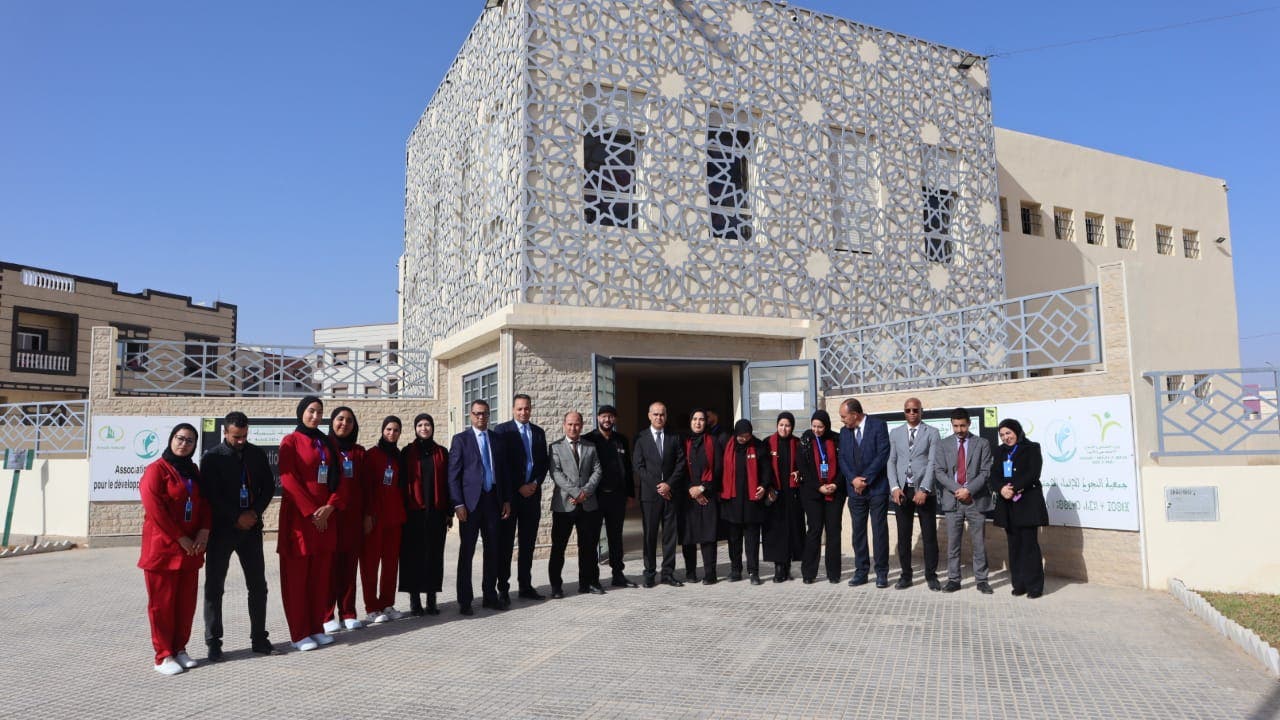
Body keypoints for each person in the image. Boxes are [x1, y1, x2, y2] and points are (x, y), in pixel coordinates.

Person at [198, 411, 276, 661]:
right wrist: (235, 517)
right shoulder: (212, 458)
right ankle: (213, 641)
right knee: (214, 587)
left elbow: (268, 487)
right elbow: (211, 495)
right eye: (236, 437)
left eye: (244, 436)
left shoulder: (256, 454)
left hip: (251, 530)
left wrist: (254, 512)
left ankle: (259, 639)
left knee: (258, 586)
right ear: (225, 432)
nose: (241, 440)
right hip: (222, 531)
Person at [139, 423, 210, 675]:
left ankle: (180, 649)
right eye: (180, 438)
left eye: (190, 441)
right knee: (163, 606)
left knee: (185, 604)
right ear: (171, 440)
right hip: (164, 550)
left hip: (190, 551)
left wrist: (204, 531)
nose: (184, 444)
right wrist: (181, 538)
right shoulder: (156, 470)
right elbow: (155, 510)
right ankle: (163, 655)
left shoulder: (193, 471)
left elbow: (205, 503)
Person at [277, 395, 344, 651]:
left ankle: (316, 627)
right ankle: (299, 632)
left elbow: (338, 480)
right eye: (311, 411)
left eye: (319, 412)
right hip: (301, 520)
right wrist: (312, 511)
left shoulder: (325, 443)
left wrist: (329, 506)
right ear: (301, 412)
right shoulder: (290, 441)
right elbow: (289, 480)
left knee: (319, 577)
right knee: (297, 579)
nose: (315, 416)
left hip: (325, 519)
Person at [448, 399, 512, 614]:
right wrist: (458, 503)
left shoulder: (497, 440)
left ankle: (490, 596)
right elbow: (453, 476)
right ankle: (465, 601)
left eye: (484, 413)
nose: (481, 417)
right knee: (467, 552)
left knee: (493, 550)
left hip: (493, 500)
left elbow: (503, 473)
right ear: (470, 415)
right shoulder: (461, 440)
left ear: (489, 415)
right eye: (476, 414)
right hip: (470, 504)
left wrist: (506, 500)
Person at [493, 393, 549, 603]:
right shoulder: (502, 431)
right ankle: (503, 588)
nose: (523, 412)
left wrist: (534, 484)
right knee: (506, 544)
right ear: (513, 409)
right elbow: (502, 465)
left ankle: (525, 586)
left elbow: (543, 463)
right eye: (519, 409)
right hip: (511, 497)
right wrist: (519, 487)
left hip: (532, 496)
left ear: (531, 409)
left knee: (528, 544)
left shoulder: (538, 432)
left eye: (527, 408)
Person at [935, 408, 995, 595]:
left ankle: (982, 580)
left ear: (969, 424)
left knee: (979, 542)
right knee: (953, 543)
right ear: (951, 425)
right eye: (955, 426)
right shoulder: (943, 445)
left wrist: (968, 490)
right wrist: (957, 490)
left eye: (962, 425)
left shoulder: (982, 444)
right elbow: (939, 472)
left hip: (975, 500)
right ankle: (953, 579)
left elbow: (985, 471)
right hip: (953, 500)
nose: (959, 429)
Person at [546, 411, 604, 598]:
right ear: (564, 425)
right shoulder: (555, 447)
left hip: (587, 504)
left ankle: (588, 583)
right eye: (570, 424)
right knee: (558, 547)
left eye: (577, 424)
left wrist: (584, 493)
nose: (573, 428)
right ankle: (556, 586)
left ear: (582, 425)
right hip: (564, 505)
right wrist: (576, 492)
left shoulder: (590, 447)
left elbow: (597, 471)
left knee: (588, 547)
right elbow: (557, 474)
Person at [886, 398, 942, 590]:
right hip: (902, 491)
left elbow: (933, 463)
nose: (912, 413)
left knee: (929, 536)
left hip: (924, 491)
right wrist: (894, 487)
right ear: (904, 411)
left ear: (921, 411)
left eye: (915, 410)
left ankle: (931, 575)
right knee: (904, 536)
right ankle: (906, 575)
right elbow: (891, 462)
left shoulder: (932, 433)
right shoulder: (895, 433)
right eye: (908, 410)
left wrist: (924, 489)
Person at [400, 413, 451, 616]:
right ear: (415, 428)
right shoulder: (407, 452)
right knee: (413, 557)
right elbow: (402, 483)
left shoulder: (442, 452)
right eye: (420, 425)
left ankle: (431, 599)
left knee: (433, 556)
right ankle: (415, 600)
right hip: (413, 514)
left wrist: (448, 511)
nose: (424, 428)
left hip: (436, 513)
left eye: (427, 424)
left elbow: (448, 483)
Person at [324, 406, 369, 633]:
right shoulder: (323, 448)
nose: (344, 424)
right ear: (332, 422)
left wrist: (367, 515)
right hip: (330, 518)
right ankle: (327, 614)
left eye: (349, 420)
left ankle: (348, 612)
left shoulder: (359, 452)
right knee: (329, 568)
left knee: (349, 568)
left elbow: (366, 487)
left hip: (353, 519)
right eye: (340, 419)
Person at [632, 401, 687, 587]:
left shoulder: (674, 437)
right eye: (655, 414)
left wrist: (668, 485)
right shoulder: (641, 437)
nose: (659, 417)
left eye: (662, 414)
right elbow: (638, 466)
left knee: (670, 536)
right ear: (649, 416)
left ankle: (668, 573)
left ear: (666, 416)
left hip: (670, 494)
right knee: (650, 535)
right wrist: (658, 485)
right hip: (650, 495)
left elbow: (681, 463)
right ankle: (649, 573)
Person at [992, 418, 1049, 599]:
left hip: (1027, 503)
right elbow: (993, 474)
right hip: (1008, 505)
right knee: (1014, 546)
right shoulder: (999, 451)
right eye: (1002, 435)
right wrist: (1001, 488)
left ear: (1017, 431)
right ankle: (1019, 584)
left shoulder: (1032, 448)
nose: (1006, 437)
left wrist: (1014, 488)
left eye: (1009, 433)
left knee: (1029, 546)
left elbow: (1033, 473)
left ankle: (1035, 586)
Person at [837, 398, 891, 588]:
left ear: (855, 414)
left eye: (844, 417)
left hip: (876, 489)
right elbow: (842, 458)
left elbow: (882, 454)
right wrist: (853, 480)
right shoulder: (844, 432)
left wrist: (865, 479)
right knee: (858, 532)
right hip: (855, 491)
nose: (842, 420)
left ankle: (882, 572)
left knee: (879, 531)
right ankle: (861, 571)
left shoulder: (878, 426)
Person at [583, 404, 638, 588]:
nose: (607, 420)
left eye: (611, 416)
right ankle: (593, 579)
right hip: (596, 497)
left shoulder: (621, 440)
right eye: (604, 416)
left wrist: (630, 494)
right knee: (592, 539)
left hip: (617, 497)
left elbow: (628, 468)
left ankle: (618, 575)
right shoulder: (589, 440)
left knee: (616, 537)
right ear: (598, 418)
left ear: (615, 419)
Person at [360, 416, 407, 623]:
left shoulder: (399, 456)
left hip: (394, 517)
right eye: (388, 429)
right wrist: (367, 514)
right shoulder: (371, 455)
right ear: (382, 430)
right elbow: (365, 487)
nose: (392, 433)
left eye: (396, 430)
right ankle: (372, 607)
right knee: (370, 564)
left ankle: (387, 604)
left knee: (390, 565)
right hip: (375, 517)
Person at [720, 419, 772, 585]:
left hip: (752, 501)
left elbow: (766, 470)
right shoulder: (727, 446)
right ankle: (735, 570)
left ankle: (753, 571)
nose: (743, 439)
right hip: (732, 500)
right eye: (741, 436)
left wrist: (764, 486)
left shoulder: (758, 446)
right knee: (734, 539)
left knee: (752, 539)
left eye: (747, 436)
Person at [798, 410, 843, 583]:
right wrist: (819, 487)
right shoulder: (805, 441)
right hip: (813, 493)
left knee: (833, 531)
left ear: (827, 426)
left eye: (820, 427)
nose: (817, 430)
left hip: (834, 491)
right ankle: (809, 573)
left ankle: (834, 573)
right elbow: (803, 468)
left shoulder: (836, 439)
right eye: (814, 426)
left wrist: (835, 484)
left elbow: (843, 465)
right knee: (814, 531)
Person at [763, 412, 805, 583]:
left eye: (787, 425)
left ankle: (787, 566)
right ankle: (778, 568)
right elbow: (762, 468)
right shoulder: (767, 443)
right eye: (781, 425)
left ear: (792, 427)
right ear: (777, 425)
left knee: (792, 530)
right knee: (775, 532)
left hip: (793, 494)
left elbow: (806, 465)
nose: (784, 428)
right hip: (774, 494)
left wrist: (799, 472)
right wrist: (767, 488)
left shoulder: (798, 443)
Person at [681, 409, 721, 585]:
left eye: (702, 420)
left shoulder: (713, 441)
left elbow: (719, 469)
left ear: (706, 422)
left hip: (708, 494)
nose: (698, 423)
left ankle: (710, 573)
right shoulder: (684, 442)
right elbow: (679, 469)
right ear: (690, 422)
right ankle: (690, 572)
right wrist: (692, 490)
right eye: (695, 419)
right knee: (688, 536)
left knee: (708, 536)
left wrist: (703, 488)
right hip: (688, 495)